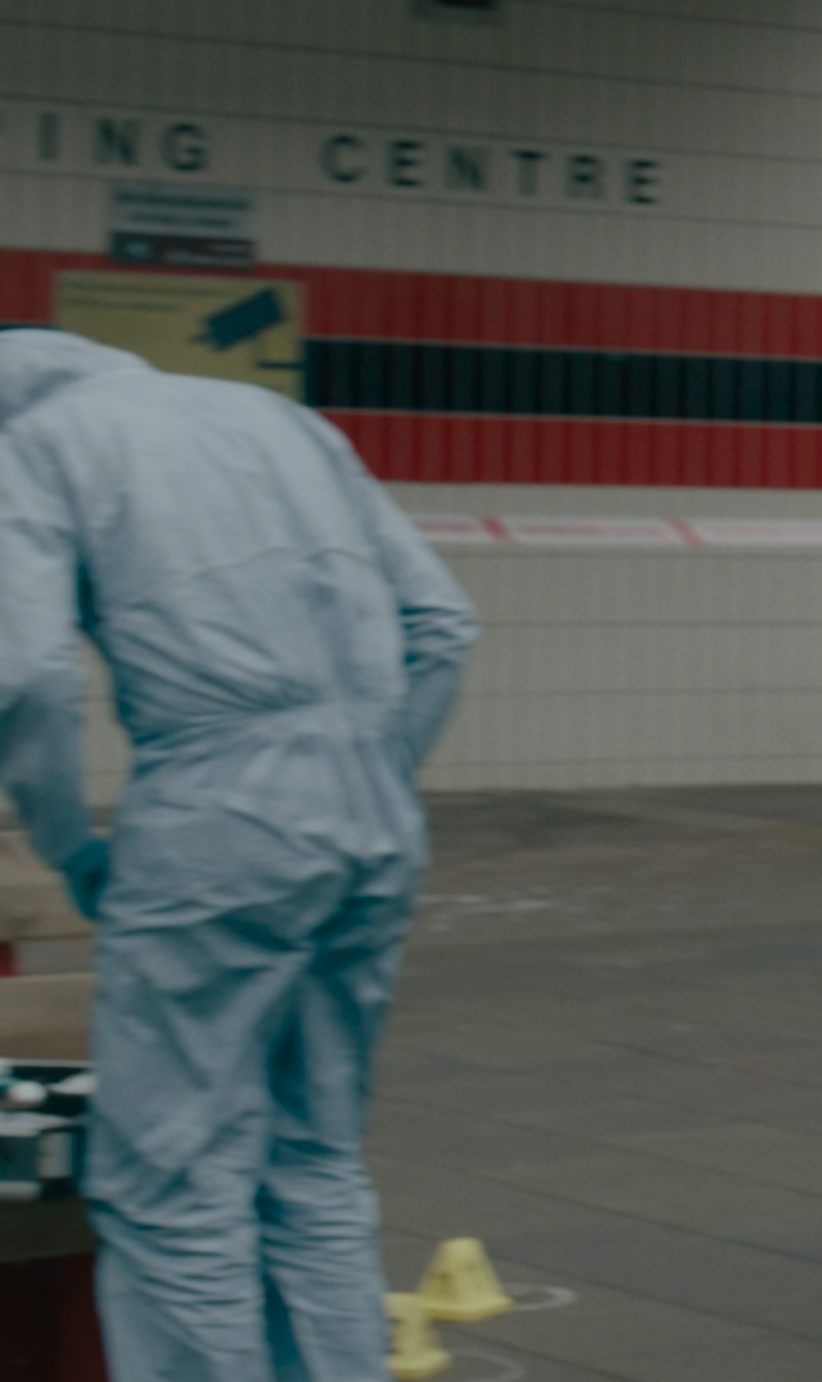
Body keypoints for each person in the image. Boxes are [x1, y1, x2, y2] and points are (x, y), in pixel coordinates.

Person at [0, 327, 477, 1382]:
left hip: (217, 809)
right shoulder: (280, 419)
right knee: (312, 1160)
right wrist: (362, 775)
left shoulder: (36, 441)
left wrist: (71, 846)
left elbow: (26, 676)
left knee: (171, 1183)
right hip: (371, 815)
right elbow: (444, 623)